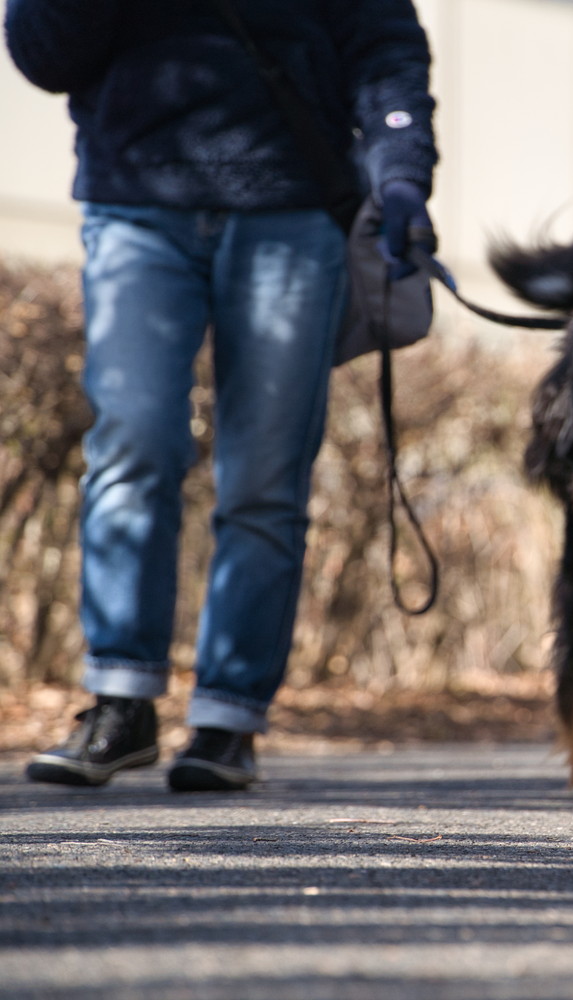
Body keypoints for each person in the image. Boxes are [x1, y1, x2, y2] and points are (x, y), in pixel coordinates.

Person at [7, 0, 439, 791]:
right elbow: (40, 54)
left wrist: (403, 170)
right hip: (137, 199)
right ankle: (121, 701)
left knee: (264, 474)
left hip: (292, 207)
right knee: (132, 441)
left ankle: (227, 719)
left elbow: (384, 41)